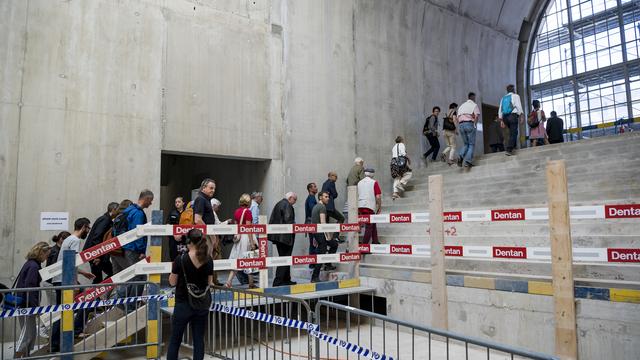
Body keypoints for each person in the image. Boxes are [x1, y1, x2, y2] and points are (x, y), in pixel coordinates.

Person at [167, 229, 213, 360]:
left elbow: (172, 282)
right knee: (199, 340)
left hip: (183, 304)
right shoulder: (208, 259)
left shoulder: (180, 259)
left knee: (175, 340)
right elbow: (209, 282)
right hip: (202, 304)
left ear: (189, 242)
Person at [50, 218, 95, 351]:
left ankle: (57, 342)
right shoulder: (75, 240)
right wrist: (74, 284)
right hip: (66, 281)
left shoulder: (68, 239)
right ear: (84, 227)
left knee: (62, 311)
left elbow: (67, 261)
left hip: (60, 279)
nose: (88, 231)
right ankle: (73, 332)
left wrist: (83, 274)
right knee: (88, 298)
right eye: (88, 228)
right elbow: (72, 262)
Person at [114, 190, 153, 308]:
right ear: (146, 199)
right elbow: (138, 234)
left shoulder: (128, 210)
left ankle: (121, 303)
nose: (150, 204)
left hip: (125, 248)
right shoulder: (138, 213)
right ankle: (130, 305)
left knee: (131, 277)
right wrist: (141, 251)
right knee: (140, 276)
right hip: (133, 249)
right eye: (150, 201)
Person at [14, 242, 51, 358]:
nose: (47, 257)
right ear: (41, 253)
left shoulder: (30, 264)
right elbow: (30, 287)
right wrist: (35, 307)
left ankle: (25, 356)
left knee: (30, 334)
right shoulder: (33, 266)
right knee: (27, 334)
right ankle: (17, 356)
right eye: (46, 255)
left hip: (25, 303)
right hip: (27, 305)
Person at [82, 202, 119, 283]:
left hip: (98, 253)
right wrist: (97, 256)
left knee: (103, 276)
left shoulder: (107, 220)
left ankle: (101, 293)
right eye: (118, 210)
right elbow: (97, 237)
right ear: (113, 210)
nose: (119, 213)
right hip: (95, 254)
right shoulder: (105, 220)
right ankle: (99, 294)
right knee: (99, 278)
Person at [226, 194, 257, 288]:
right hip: (246, 238)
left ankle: (229, 282)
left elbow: (237, 225)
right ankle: (250, 283)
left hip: (239, 237)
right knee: (249, 259)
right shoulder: (248, 212)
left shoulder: (237, 211)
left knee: (237, 259)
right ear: (248, 202)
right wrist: (252, 243)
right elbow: (248, 228)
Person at [268, 192, 298, 287]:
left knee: (285, 258)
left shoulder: (278, 204)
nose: (295, 202)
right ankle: (278, 281)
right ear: (290, 198)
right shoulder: (287, 205)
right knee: (285, 258)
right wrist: (295, 227)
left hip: (278, 237)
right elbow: (288, 220)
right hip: (285, 237)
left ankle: (286, 279)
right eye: (294, 199)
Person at [310, 192, 339, 282]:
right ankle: (314, 277)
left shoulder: (315, 207)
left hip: (316, 233)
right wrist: (328, 235)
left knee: (334, 244)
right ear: (320, 197)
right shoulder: (322, 207)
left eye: (328, 197)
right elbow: (323, 223)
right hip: (320, 233)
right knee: (322, 253)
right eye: (325, 197)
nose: (328, 198)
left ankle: (327, 264)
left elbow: (314, 222)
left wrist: (314, 237)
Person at [498, 84, 524, 156]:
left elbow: (500, 109)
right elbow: (518, 106)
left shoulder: (503, 98)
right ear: (513, 90)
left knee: (513, 132)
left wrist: (501, 120)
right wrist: (521, 116)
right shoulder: (516, 96)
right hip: (512, 116)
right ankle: (509, 149)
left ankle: (514, 147)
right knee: (514, 133)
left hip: (505, 117)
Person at [357, 168, 382, 244]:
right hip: (369, 206)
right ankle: (364, 246)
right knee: (369, 226)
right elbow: (378, 196)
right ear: (372, 174)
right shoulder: (374, 182)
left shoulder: (359, 183)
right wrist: (379, 206)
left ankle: (375, 241)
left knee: (372, 222)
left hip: (360, 206)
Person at [109, 199, 133, 274]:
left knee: (116, 273)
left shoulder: (117, 217)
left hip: (113, 248)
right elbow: (123, 233)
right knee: (129, 273)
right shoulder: (126, 217)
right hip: (121, 249)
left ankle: (117, 286)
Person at [457, 92, 480, 168]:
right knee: (471, 144)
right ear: (473, 97)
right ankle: (468, 161)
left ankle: (460, 156)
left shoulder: (461, 106)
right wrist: (475, 125)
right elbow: (476, 116)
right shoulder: (474, 105)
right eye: (474, 97)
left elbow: (458, 117)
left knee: (466, 144)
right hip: (469, 124)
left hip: (461, 125)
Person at [321, 172, 344, 241]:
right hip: (329, 207)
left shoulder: (324, 183)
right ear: (330, 176)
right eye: (335, 176)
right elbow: (335, 194)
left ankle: (326, 239)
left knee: (326, 224)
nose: (336, 178)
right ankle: (335, 236)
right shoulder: (331, 183)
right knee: (341, 218)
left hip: (324, 207)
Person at [167, 197, 186, 261]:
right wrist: (175, 235)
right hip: (173, 240)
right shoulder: (171, 213)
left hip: (183, 240)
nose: (177, 203)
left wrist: (181, 235)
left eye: (179, 202)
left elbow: (189, 226)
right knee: (173, 257)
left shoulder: (187, 214)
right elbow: (168, 225)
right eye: (176, 202)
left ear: (183, 203)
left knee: (182, 257)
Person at [305, 183, 319, 259]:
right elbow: (313, 210)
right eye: (314, 187)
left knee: (313, 243)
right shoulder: (311, 198)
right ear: (310, 189)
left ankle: (312, 263)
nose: (316, 188)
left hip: (310, 223)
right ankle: (312, 264)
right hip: (311, 223)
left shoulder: (311, 198)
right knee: (314, 243)